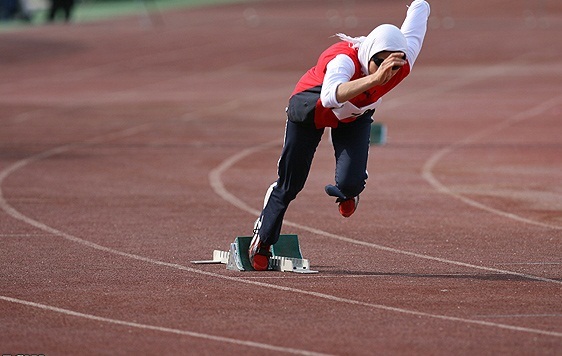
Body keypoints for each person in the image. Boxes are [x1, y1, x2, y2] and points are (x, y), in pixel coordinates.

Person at [249, 0, 431, 271]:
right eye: (379, 63)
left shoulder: (402, 61)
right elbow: (330, 95)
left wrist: (419, 3)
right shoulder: (343, 60)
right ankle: (262, 238)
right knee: (291, 183)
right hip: (313, 108)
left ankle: (350, 191)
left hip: (354, 114)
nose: (386, 71)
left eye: (391, 66)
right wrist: (375, 80)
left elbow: (419, 14)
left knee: (350, 182)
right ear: (369, 53)